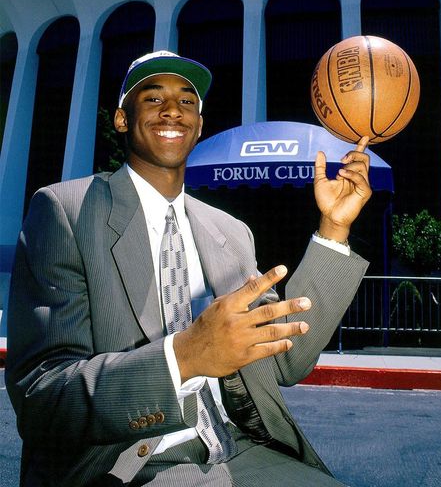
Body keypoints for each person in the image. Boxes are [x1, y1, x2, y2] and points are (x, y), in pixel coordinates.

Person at [6, 50, 372, 487]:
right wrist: (185, 356)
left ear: (198, 125)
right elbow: (42, 397)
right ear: (121, 119)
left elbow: (285, 362)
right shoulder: (65, 210)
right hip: (127, 464)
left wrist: (334, 228)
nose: (172, 110)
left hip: (238, 449)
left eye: (187, 101)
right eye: (153, 97)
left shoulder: (231, 232)